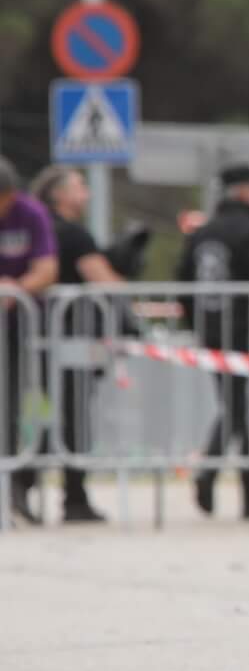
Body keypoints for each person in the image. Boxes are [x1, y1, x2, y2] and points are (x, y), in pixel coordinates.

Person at [179, 163, 249, 519]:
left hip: (212, 333)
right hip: (245, 334)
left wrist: (196, 325)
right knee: (245, 412)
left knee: (234, 408)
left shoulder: (202, 233)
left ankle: (224, 481)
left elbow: (182, 281)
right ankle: (240, 487)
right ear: (243, 192)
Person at [30, 167, 113, 522]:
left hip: (32, 338)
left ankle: (24, 483)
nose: (87, 193)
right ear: (58, 194)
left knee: (43, 415)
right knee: (74, 419)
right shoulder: (74, 234)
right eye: (80, 187)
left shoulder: (37, 229)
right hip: (73, 340)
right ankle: (72, 497)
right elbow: (106, 282)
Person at [0, 159, 62, 523]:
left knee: (23, 405)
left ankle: (20, 486)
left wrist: (15, 289)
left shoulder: (31, 214)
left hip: (23, 326)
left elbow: (47, 269)